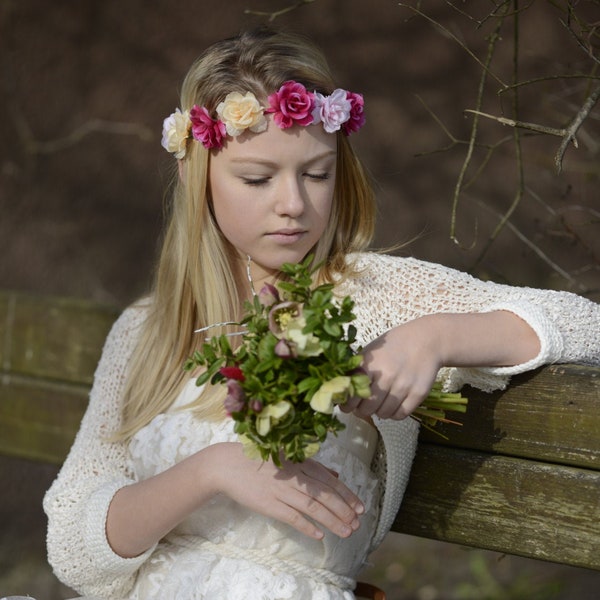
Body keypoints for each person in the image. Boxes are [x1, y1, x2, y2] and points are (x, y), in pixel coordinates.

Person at [44, 27, 600, 600]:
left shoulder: (370, 294)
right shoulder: (147, 329)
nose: (293, 205)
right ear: (196, 176)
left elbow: (588, 325)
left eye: (316, 174)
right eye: (258, 178)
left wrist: (438, 335)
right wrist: (209, 471)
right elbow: (71, 551)